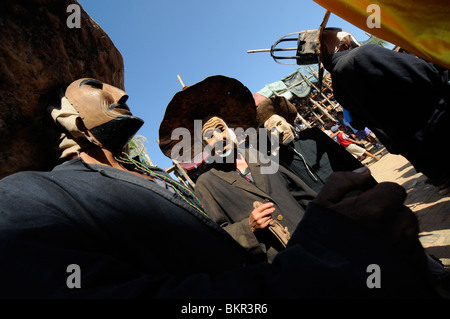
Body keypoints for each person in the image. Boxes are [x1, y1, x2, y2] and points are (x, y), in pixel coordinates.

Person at [0, 77, 440, 299]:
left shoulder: (262, 153)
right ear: (66, 119)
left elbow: (308, 188)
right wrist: (256, 234)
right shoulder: (27, 200)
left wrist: (274, 125)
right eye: (93, 86)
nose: (119, 92)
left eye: (218, 128)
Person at [158, 76, 317, 262]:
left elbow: (302, 193)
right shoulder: (206, 184)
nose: (218, 138)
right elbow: (217, 236)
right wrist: (249, 228)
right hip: (279, 263)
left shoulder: (260, 154)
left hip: (314, 239)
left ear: (230, 129)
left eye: (220, 129)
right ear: (204, 145)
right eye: (209, 136)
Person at [320, 27, 449, 192]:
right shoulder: (363, 54)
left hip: (412, 147)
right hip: (436, 129)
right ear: (344, 43)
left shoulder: (337, 84)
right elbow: (426, 76)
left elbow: (358, 122)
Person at [255, 95, 367, 193]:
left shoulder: (312, 135)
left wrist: (367, 181)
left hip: (354, 188)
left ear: (286, 121)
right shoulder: (278, 160)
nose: (279, 131)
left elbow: (344, 156)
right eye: (272, 130)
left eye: (279, 124)